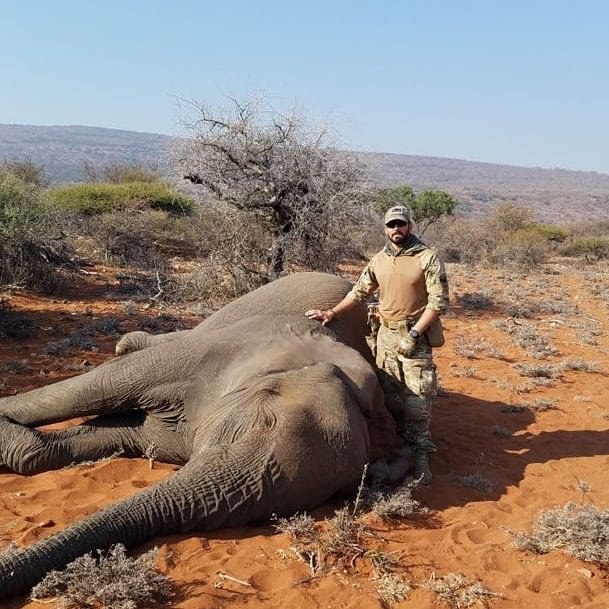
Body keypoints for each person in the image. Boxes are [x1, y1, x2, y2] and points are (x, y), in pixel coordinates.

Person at [305, 205, 449, 484]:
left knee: (418, 400)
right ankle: (405, 443)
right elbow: (359, 291)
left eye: (401, 224)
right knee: (392, 396)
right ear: (385, 228)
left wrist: (416, 334)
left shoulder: (427, 258)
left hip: (413, 336)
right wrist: (331, 313)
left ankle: (421, 457)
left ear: (410, 226)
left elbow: (438, 303)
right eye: (391, 225)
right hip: (384, 335)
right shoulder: (380, 259)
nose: (397, 230)